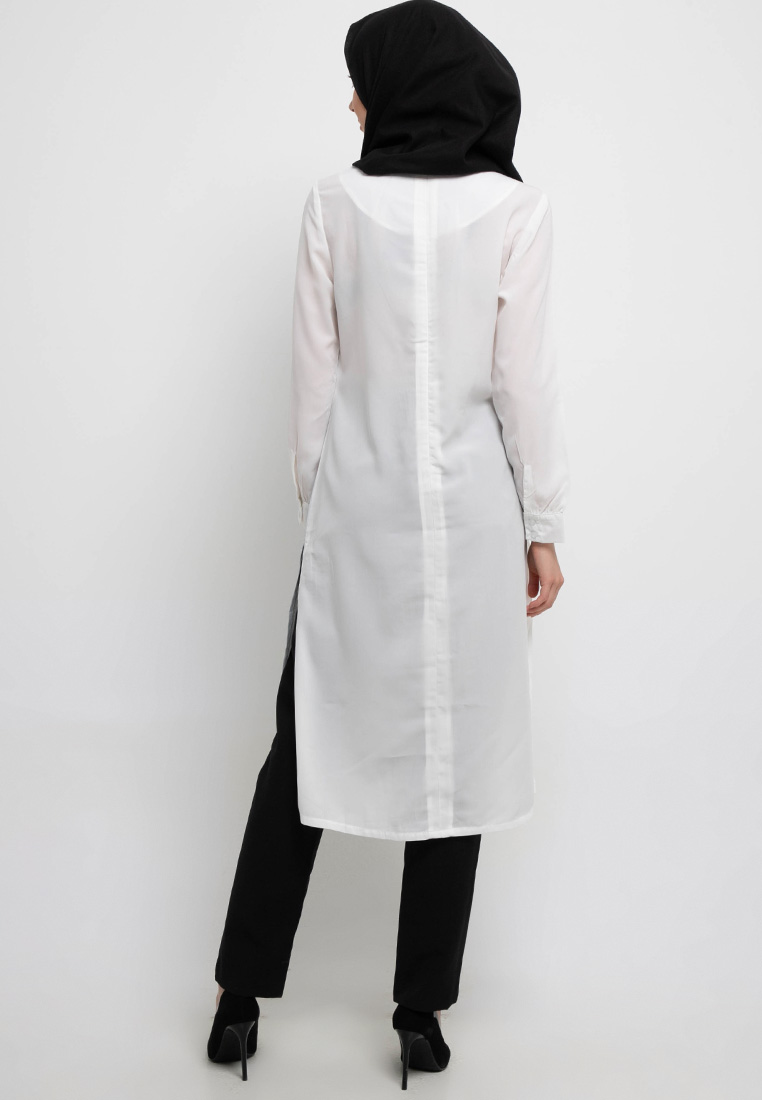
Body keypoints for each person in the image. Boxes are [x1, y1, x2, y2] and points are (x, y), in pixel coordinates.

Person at [207, 0, 569, 1087]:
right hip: (474, 522)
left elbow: (311, 386)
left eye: (362, 80)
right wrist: (543, 524)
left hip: (352, 517)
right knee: (451, 758)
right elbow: (523, 385)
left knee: (303, 743)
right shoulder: (517, 209)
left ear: (405, 89)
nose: (354, 102)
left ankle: (237, 1001)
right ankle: (420, 1014)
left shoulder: (334, 204)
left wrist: (325, 514)